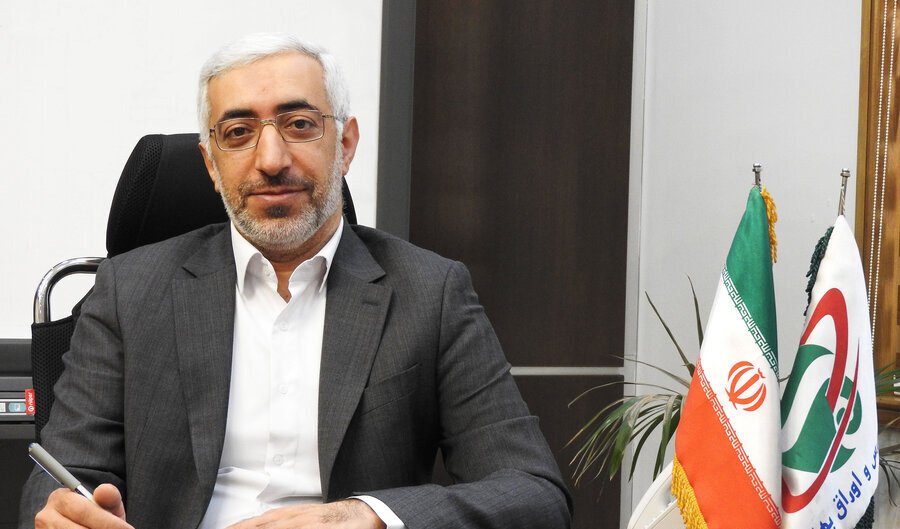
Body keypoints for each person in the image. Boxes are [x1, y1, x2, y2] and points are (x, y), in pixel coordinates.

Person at [20, 33, 572, 529]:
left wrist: (368, 515)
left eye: (299, 124)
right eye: (238, 132)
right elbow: (60, 478)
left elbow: (534, 493)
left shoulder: (430, 291)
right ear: (211, 164)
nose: (271, 159)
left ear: (345, 145)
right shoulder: (129, 290)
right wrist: (64, 512)